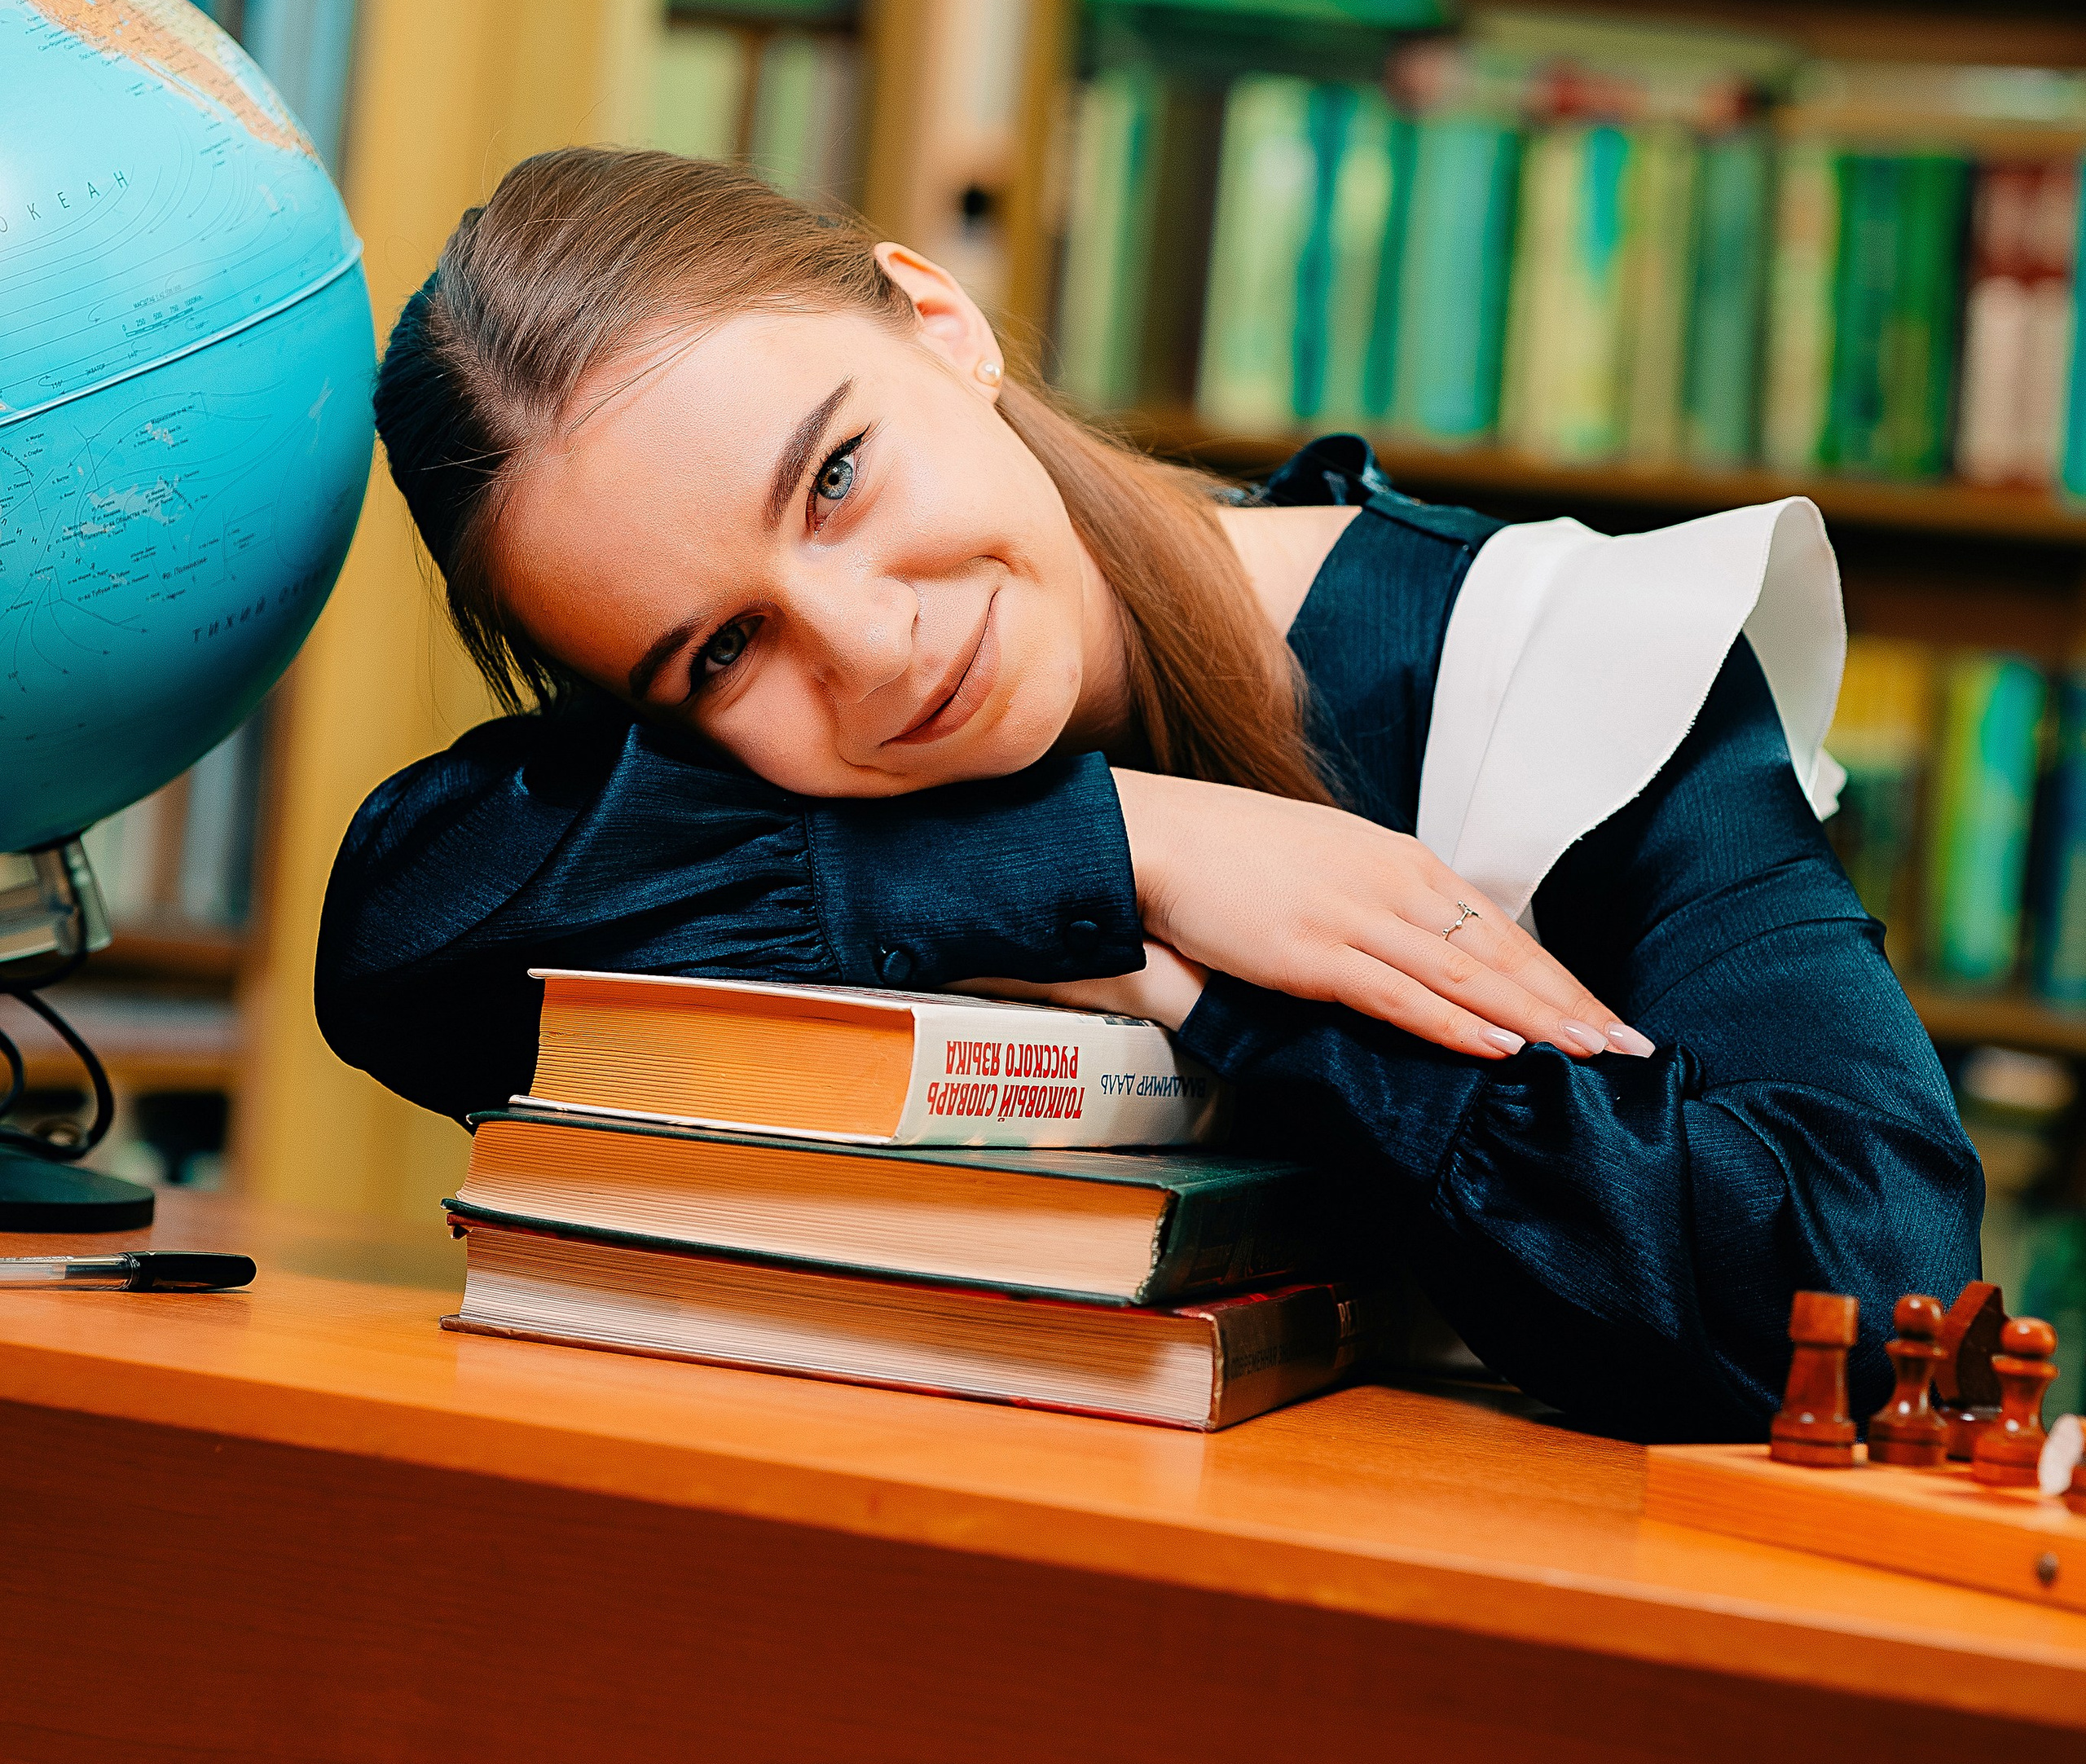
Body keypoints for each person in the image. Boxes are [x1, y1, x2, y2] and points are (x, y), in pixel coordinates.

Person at [316, 148, 1982, 1441]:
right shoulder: (747, 790)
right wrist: (1122, 853)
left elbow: (1881, 1285)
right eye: (717, 653)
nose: (873, 649)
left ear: (937, 321)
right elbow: (401, 937)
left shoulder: (1555, 654)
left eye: (834, 475)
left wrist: (1249, 995)